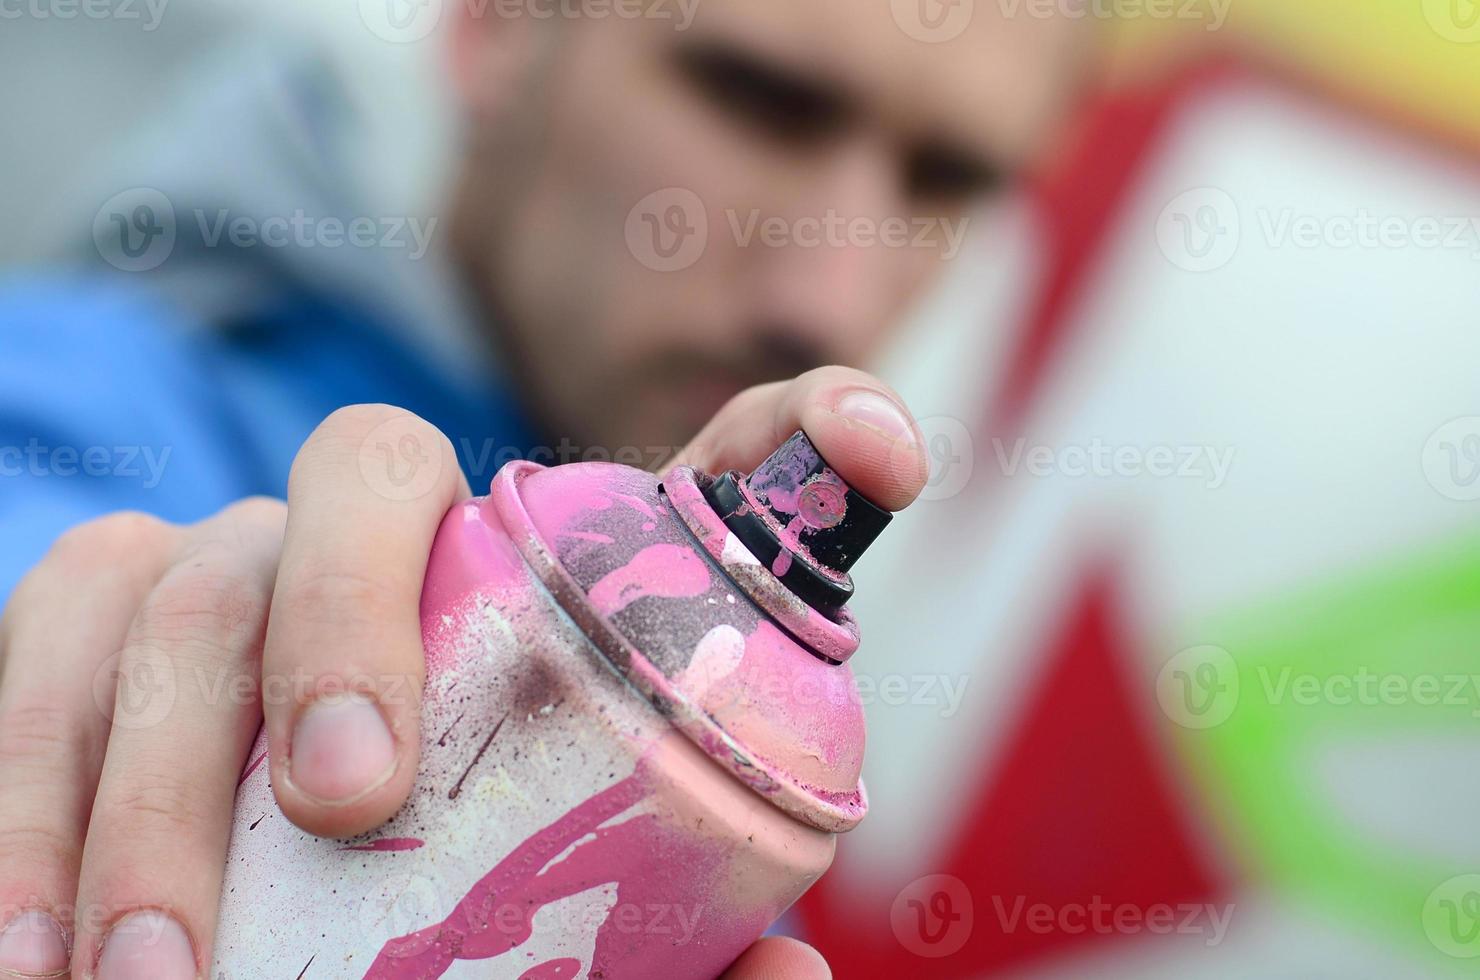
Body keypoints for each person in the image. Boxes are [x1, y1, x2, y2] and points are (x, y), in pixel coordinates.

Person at [0, 1, 1090, 975]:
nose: (827, 299)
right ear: (499, 26)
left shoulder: (714, 769)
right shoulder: (82, 393)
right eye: (761, 101)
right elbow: (51, 528)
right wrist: (137, 643)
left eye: (945, 180)